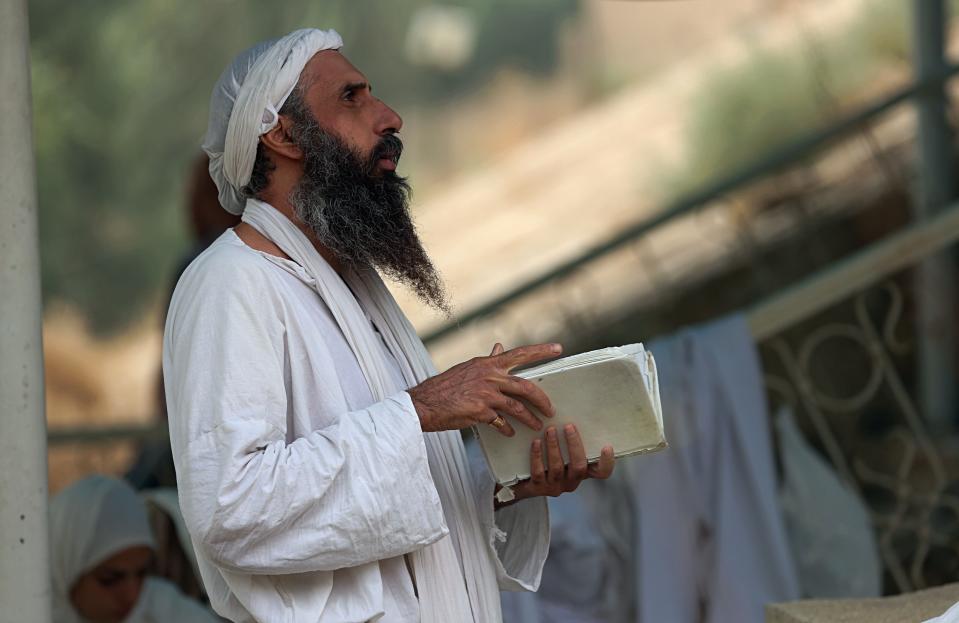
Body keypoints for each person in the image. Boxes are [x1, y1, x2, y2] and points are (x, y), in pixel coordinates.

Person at [163, 28, 615, 623]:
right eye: (351, 98)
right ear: (283, 133)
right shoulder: (229, 284)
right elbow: (232, 508)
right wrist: (423, 409)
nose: (389, 116)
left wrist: (509, 486)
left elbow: (397, 518)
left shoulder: (352, 284)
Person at [49, 475, 220, 623]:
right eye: (110, 579)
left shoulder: (161, 609)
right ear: (66, 570)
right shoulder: (32, 611)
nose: (132, 595)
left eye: (141, 574)